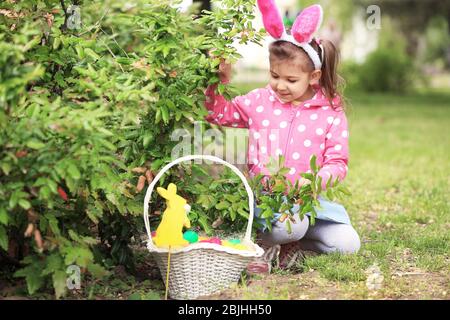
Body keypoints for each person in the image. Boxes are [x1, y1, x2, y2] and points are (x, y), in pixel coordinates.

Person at [203, 2, 360, 273]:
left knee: (347, 244)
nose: (280, 85)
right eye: (274, 75)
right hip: (268, 202)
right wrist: (219, 81)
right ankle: (260, 245)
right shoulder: (260, 101)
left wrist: (309, 185)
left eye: (290, 79)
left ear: (313, 76)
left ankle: (291, 243)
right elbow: (217, 114)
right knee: (290, 225)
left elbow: (337, 163)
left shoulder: (331, 113)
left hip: (309, 203)